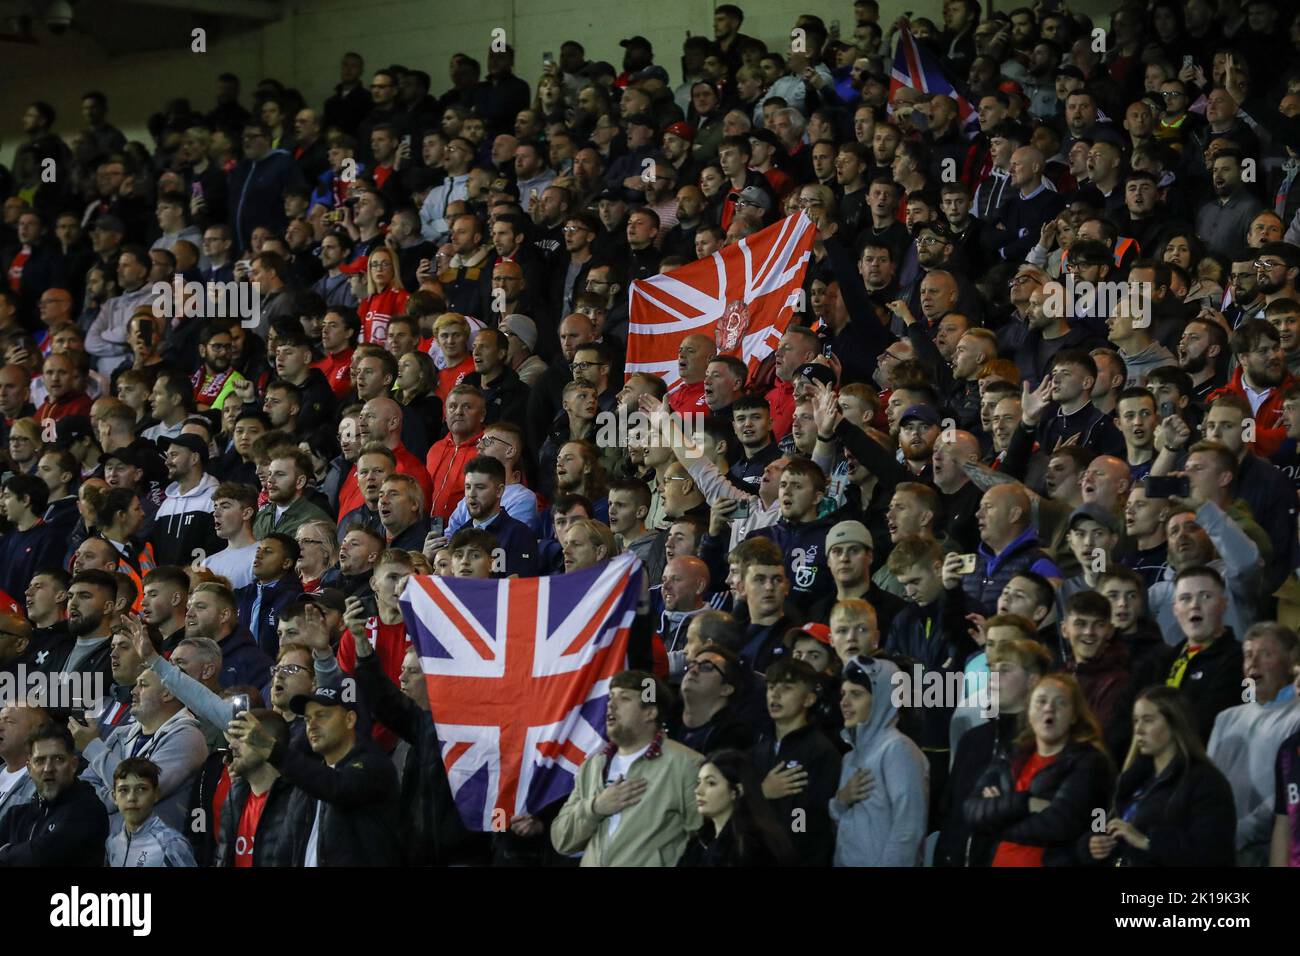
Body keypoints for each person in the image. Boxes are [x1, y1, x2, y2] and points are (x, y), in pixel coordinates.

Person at [227, 685, 403, 866]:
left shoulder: (374, 767)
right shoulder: (307, 782)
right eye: (308, 718)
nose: (312, 724)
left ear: (349, 719)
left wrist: (271, 749)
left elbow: (338, 788)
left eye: (322, 716)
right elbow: (285, 851)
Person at [552, 670, 703, 866]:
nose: (611, 705)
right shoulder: (594, 765)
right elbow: (561, 840)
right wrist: (596, 807)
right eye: (610, 697)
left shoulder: (687, 765)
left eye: (624, 698)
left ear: (650, 712)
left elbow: (705, 840)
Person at [964, 674, 1114, 866]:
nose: (1049, 708)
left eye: (1060, 703)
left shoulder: (1088, 761)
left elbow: (1059, 824)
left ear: (1074, 716)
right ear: (1029, 711)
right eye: (1041, 701)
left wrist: (996, 819)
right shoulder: (1011, 754)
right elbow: (971, 810)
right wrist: (1025, 803)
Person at [1083, 687, 1237, 867]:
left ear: (1175, 724)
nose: (1138, 730)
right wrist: (1092, 844)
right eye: (1135, 721)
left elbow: (1212, 853)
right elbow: (1100, 820)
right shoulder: (1131, 779)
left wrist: (1147, 841)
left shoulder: (1206, 783)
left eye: (1148, 720)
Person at [831, 655, 929, 867]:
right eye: (843, 694)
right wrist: (841, 800)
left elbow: (908, 829)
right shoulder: (850, 756)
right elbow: (840, 820)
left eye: (856, 694)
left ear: (882, 698)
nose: (844, 703)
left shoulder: (897, 749)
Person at [0, 725, 109, 867]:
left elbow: (42, 856)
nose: (48, 768)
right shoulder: (16, 816)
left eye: (58, 759)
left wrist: (5, 852)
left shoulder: (88, 809)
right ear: (29, 768)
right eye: (40, 761)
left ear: (74, 764)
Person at [678, 748, 795, 866]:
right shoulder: (700, 841)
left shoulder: (755, 846)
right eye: (699, 782)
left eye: (711, 783)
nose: (698, 791)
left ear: (737, 791)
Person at [105, 756, 197, 867]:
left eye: (141, 789)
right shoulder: (112, 843)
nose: (131, 798)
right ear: (114, 797)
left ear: (156, 794)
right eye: (123, 790)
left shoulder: (171, 844)